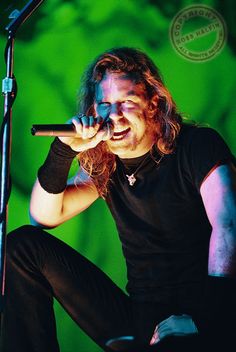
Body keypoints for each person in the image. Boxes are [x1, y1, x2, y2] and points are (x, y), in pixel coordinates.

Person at [2, 47, 236, 352]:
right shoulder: (106, 163)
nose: (114, 115)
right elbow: (44, 216)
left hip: (204, 312)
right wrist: (64, 150)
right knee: (23, 246)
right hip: (141, 316)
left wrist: (207, 319)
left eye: (126, 102)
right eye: (105, 104)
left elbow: (229, 224)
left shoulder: (197, 145)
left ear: (154, 103)